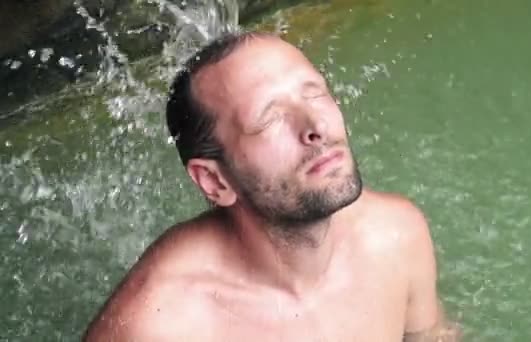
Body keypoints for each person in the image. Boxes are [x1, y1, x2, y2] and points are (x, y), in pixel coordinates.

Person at [84, 30, 461, 341]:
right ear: (215, 181)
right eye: (269, 120)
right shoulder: (160, 325)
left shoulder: (395, 236)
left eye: (314, 93)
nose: (315, 126)